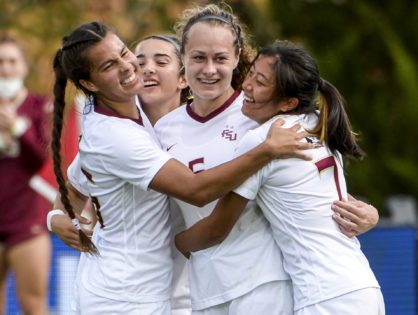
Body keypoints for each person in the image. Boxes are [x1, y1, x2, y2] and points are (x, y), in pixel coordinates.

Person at [50, 21, 313, 314]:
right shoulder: (115, 135)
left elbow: (305, 167)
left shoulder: (141, 116)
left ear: (180, 76)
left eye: (125, 54)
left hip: (199, 289)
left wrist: (56, 216)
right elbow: (195, 190)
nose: (132, 66)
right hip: (126, 294)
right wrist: (56, 216)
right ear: (89, 84)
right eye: (110, 65)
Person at [155, 4, 379, 315]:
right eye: (198, 57)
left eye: (220, 58)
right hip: (205, 289)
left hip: (266, 283)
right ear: (184, 58)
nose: (209, 69)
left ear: (237, 58)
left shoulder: (263, 121)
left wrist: (369, 213)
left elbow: (313, 189)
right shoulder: (164, 129)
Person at [0, 34, 51, 314]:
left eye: (11, 61)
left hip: (28, 222)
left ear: (23, 66)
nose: (5, 68)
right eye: (0, 62)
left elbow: (47, 160)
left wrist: (18, 128)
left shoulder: (39, 106)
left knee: (33, 305)